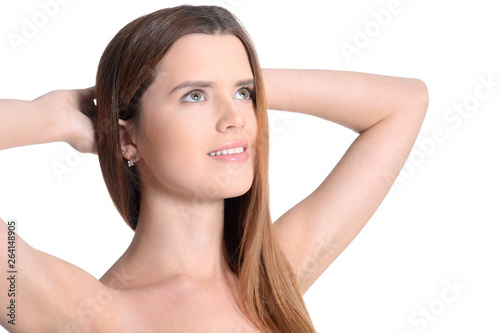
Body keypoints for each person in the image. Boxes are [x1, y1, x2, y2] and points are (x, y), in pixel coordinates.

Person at [0, 5, 428, 332]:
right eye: (194, 97)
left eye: (244, 94)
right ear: (128, 138)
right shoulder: (81, 310)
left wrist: (230, 80)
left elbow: (405, 103)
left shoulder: (271, 281)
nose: (235, 119)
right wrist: (52, 120)